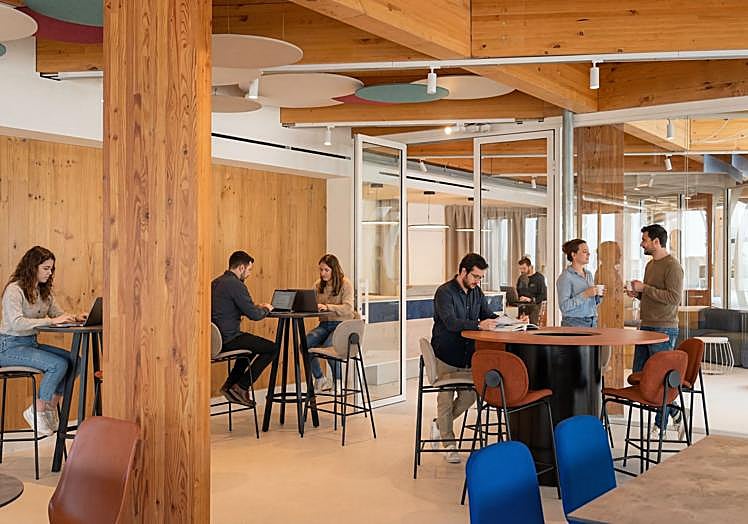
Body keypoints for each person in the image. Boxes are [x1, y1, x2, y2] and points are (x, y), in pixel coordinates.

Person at [0, 246, 84, 435]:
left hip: (30, 344)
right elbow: (16, 323)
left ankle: (50, 408)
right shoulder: (14, 290)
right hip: (8, 347)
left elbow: (58, 315)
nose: (50, 272)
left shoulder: (43, 292)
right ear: (32, 267)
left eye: (51, 269)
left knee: (75, 362)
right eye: (46, 268)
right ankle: (37, 410)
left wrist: (75, 317)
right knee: (57, 364)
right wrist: (51, 321)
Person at [431, 253, 499, 464]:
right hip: (446, 353)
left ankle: (439, 424)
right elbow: (451, 322)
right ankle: (449, 444)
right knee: (445, 399)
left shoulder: (476, 291)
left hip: (468, 355)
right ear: (463, 272)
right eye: (475, 276)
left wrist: (509, 321)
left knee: (470, 396)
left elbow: (487, 314)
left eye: (480, 277)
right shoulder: (444, 292)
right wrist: (478, 325)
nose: (478, 281)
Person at [627, 224, 684, 437]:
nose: (642, 244)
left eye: (645, 240)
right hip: (646, 325)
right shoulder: (650, 265)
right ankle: (676, 412)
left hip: (664, 328)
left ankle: (660, 426)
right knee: (640, 376)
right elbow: (653, 295)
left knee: (660, 379)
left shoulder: (673, 266)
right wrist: (638, 295)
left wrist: (645, 289)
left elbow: (674, 298)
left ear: (656, 242)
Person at [211, 251, 277, 408]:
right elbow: (254, 316)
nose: (249, 274)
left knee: (251, 348)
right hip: (229, 339)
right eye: (249, 270)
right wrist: (266, 309)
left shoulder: (216, 282)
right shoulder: (236, 285)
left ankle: (230, 386)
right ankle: (241, 386)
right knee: (273, 348)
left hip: (214, 340)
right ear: (241, 267)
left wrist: (256, 307)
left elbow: (227, 309)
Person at [306, 254, 356, 393]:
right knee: (305, 344)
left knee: (330, 347)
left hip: (342, 326)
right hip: (324, 325)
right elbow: (310, 303)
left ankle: (337, 381)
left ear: (334, 269)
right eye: (321, 270)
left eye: (326, 270)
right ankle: (320, 378)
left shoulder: (345, 284)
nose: (323, 273)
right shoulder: (318, 285)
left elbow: (348, 308)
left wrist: (328, 307)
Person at [556, 239, 604, 327]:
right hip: (574, 323)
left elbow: (591, 302)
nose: (588, 254)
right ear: (573, 255)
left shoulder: (589, 274)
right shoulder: (565, 277)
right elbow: (564, 307)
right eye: (585, 251)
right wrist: (585, 294)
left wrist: (598, 296)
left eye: (588, 252)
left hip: (592, 322)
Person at [516, 256, 547, 324]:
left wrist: (530, 299)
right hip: (522, 306)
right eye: (520, 269)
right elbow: (518, 292)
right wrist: (520, 298)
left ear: (530, 267)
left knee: (531, 321)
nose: (522, 271)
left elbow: (543, 295)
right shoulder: (521, 278)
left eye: (524, 268)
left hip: (534, 306)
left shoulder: (539, 278)